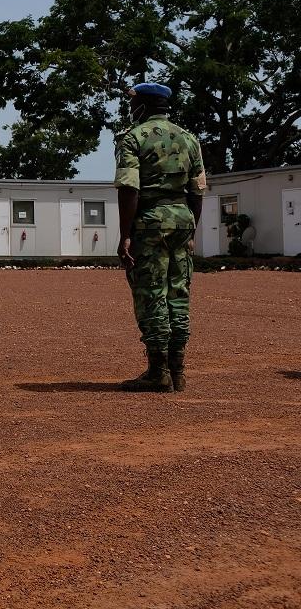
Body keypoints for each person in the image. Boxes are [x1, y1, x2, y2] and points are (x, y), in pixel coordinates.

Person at [116, 82, 205, 393]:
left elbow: (129, 189)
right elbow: (198, 190)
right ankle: (177, 371)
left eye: (133, 104)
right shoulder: (189, 139)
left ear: (143, 106)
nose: (131, 109)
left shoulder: (133, 138)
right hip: (182, 220)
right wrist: (191, 229)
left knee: (151, 294)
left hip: (150, 223)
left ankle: (158, 372)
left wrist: (125, 235)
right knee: (178, 295)